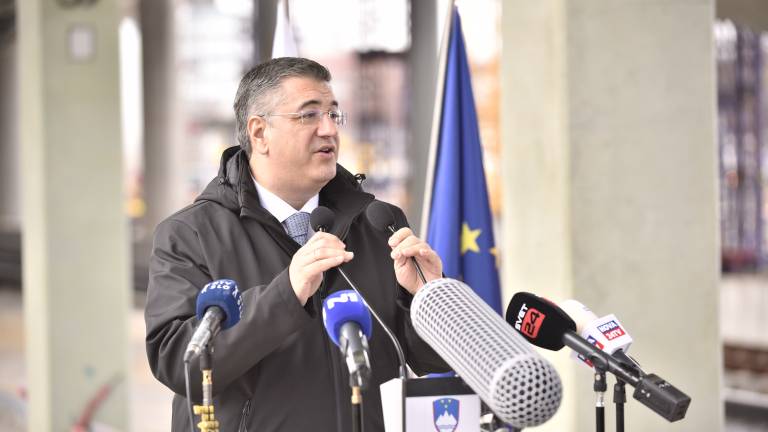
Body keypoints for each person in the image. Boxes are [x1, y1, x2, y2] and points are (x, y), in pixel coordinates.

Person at [145, 57, 449, 432]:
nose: (329, 129)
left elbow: (432, 361)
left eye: (334, 114)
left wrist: (431, 299)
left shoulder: (378, 223)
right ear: (259, 133)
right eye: (309, 115)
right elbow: (179, 363)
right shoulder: (190, 234)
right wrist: (286, 293)